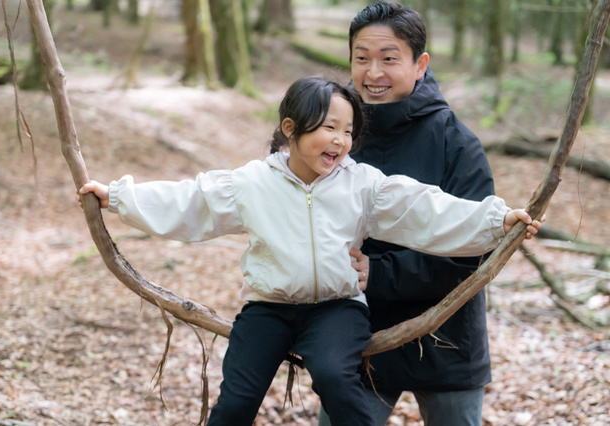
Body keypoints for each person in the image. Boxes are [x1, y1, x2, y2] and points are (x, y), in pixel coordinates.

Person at [78, 76, 542, 426]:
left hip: (336, 310)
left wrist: (495, 221)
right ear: (290, 129)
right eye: (327, 128)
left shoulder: (362, 184)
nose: (340, 140)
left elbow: (424, 210)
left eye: (347, 131)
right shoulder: (251, 183)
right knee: (237, 399)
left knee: (337, 379)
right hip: (269, 309)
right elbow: (187, 200)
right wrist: (117, 198)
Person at [318, 2, 524, 425]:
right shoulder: (338, 137)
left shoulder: (457, 144)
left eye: (389, 58)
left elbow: (475, 250)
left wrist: (380, 273)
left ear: (420, 64)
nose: (373, 73)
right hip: (360, 335)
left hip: (446, 338)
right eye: (362, 58)